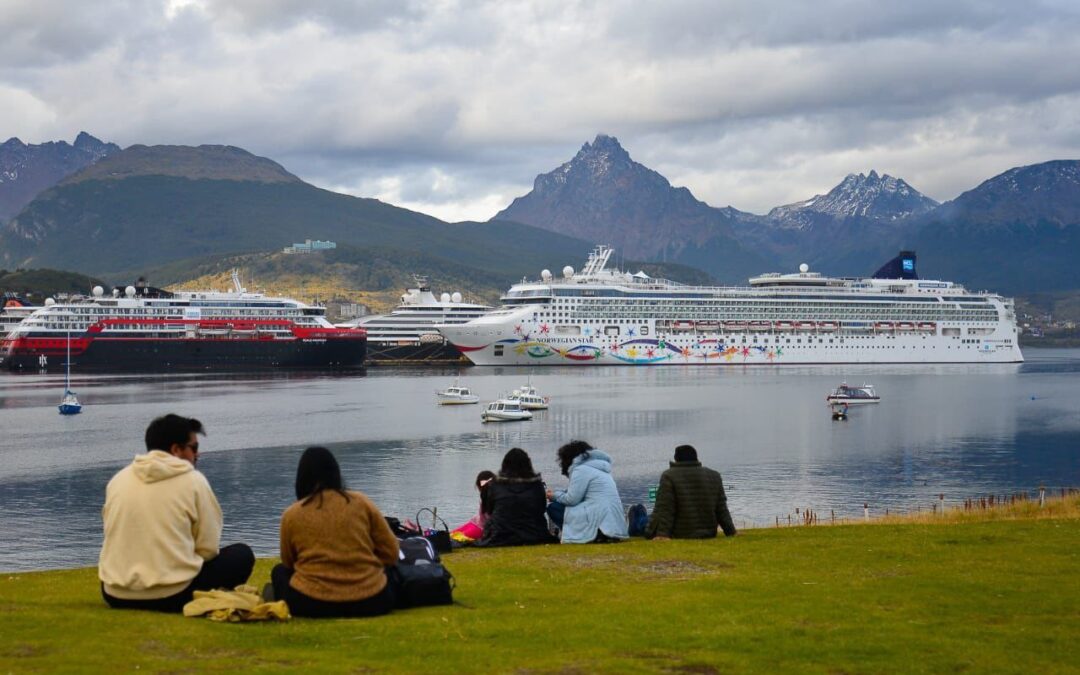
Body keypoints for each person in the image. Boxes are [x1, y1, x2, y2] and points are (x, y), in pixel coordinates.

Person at [99, 414, 254, 612]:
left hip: (116, 594)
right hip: (172, 595)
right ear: (176, 449)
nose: (198, 455)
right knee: (241, 555)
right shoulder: (194, 481)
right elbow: (208, 549)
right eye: (194, 448)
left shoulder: (118, 481)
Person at [272, 446, 400, 618]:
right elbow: (391, 552)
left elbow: (288, 562)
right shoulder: (361, 503)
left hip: (311, 603)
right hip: (370, 600)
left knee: (279, 572)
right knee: (391, 574)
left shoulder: (292, 514)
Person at [645, 444, 737, 540]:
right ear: (695, 457)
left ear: (676, 458)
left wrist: (662, 534)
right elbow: (722, 509)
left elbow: (666, 508)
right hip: (708, 533)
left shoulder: (669, 476)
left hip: (679, 534)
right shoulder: (714, 476)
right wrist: (731, 532)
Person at [546, 440, 629, 544]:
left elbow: (571, 500)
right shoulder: (600, 469)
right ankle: (602, 532)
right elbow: (579, 493)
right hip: (612, 521)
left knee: (554, 507)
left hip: (597, 516)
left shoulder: (580, 470)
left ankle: (592, 533)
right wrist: (557, 494)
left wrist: (553, 496)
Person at [476, 449, 555, 547]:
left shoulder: (496, 485)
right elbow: (541, 509)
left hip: (501, 534)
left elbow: (491, 511)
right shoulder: (536, 485)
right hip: (534, 533)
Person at [451, 470, 496, 543]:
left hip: (483, 529)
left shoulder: (492, 498)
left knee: (456, 537)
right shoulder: (485, 497)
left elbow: (490, 520)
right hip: (477, 523)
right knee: (452, 534)